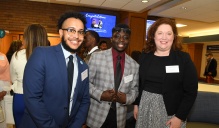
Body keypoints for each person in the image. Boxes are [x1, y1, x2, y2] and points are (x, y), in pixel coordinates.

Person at [20, 11, 90, 128]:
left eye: (80, 32)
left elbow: (84, 101)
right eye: (71, 30)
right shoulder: (42, 54)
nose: (76, 36)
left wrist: (75, 125)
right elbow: (32, 98)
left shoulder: (84, 66)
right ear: (61, 33)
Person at [133, 18, 198, 128]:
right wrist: (136, 104)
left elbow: (191, 91)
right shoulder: (144, 56)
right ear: (154, 36)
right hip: (144, 108)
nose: (164, 37)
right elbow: (139, 83)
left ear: (174, 37)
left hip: (171, 114)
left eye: (169, 33)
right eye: (160, 33)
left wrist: (179, 117)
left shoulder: (183, 59)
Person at [86, 23, 139, 128]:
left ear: (129, 41)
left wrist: (127, 99)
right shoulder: (96, 57)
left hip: (119, 120)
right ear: (111, 39)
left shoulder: (134, 65)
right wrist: (100, 94)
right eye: (117, 36)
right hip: (96, 116)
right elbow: (85, 83)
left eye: (125, 38)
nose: (121, 40)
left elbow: (135, 90)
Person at [9, 24, 49, 128]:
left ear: (27, 38)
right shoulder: (49, 56)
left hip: (20, 97)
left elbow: (13, 79)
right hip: (42, 99)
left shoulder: (17, 55)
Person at [0, 52, 11, 128]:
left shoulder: (2, 56)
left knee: (3, 113)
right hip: (4, 85)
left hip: (3, 86)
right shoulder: (3, 56)